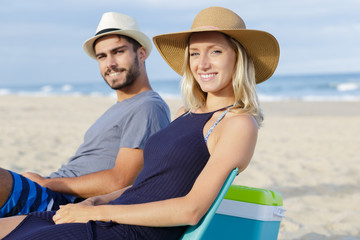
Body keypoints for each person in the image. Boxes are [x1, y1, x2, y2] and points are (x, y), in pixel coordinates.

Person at [0, 6, 279, 240]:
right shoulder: (186, 112)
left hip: (130, 231)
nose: (202, 64)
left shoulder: (238, 123)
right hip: (109, 214)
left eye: (215, 52)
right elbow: (147, 184)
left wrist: (98, 212)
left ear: (238, 58)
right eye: (194, 53)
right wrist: (98, 201)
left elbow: (191, 210)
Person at [0, 12, 170, 218]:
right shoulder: (121, 107)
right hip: (53, 191)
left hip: (61, 202)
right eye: (102, 56)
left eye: (118, 52)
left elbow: (122, 180)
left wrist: (46, 182)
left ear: (141, 54)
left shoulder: (147, 106)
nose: (110, 63)